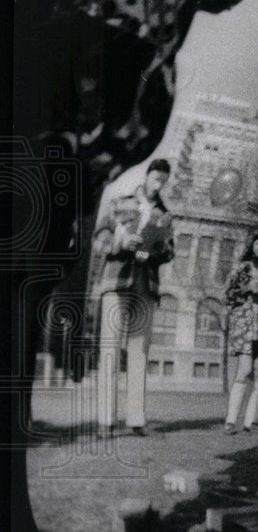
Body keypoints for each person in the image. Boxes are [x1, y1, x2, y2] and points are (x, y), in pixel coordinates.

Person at [94, 159, 175, 437]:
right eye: (156, 179)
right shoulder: (121, 202)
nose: (159, 185)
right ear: (147, 176)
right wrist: (121, 242)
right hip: (117, 279)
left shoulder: (165, 215)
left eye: (163, 181)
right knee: (109, 349)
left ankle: (136, 419)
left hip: (146, 284)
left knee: (139, 351)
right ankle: (106, 420)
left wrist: (152, 254)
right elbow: (100, 239)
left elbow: (169, 251)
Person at [223, 231, 258, 434]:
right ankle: (231, 421)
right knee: (244, 370)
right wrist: (247, 287)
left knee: (256, 373)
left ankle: (250, 421)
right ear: (252, 245)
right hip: (246, 326)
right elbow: (228, 294)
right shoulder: (242, 268)